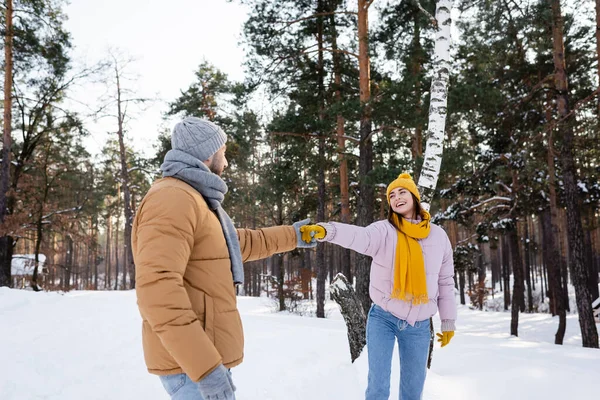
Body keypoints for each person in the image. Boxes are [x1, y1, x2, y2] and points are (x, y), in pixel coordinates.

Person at [132, 117, 316, 400]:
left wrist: (293, 235)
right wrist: (204, 368)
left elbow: (237, 243)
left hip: (197, 361)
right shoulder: (173, 198)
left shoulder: (192, 198)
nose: (227, 162)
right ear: (207, 154)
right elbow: (158, 291)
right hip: (191, 367)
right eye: (224, 152)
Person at [300, 173, 456, 400]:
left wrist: (448, 321)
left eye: (402, 192)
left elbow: (445, 281)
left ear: (414, 196)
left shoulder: (439, 236)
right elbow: (358, 236)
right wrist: (327, 231)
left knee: (413, 391)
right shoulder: (384, 231)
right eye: (392, 194)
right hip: (383, 318)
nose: (396, 197)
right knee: (378, 386)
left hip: (419, 325)